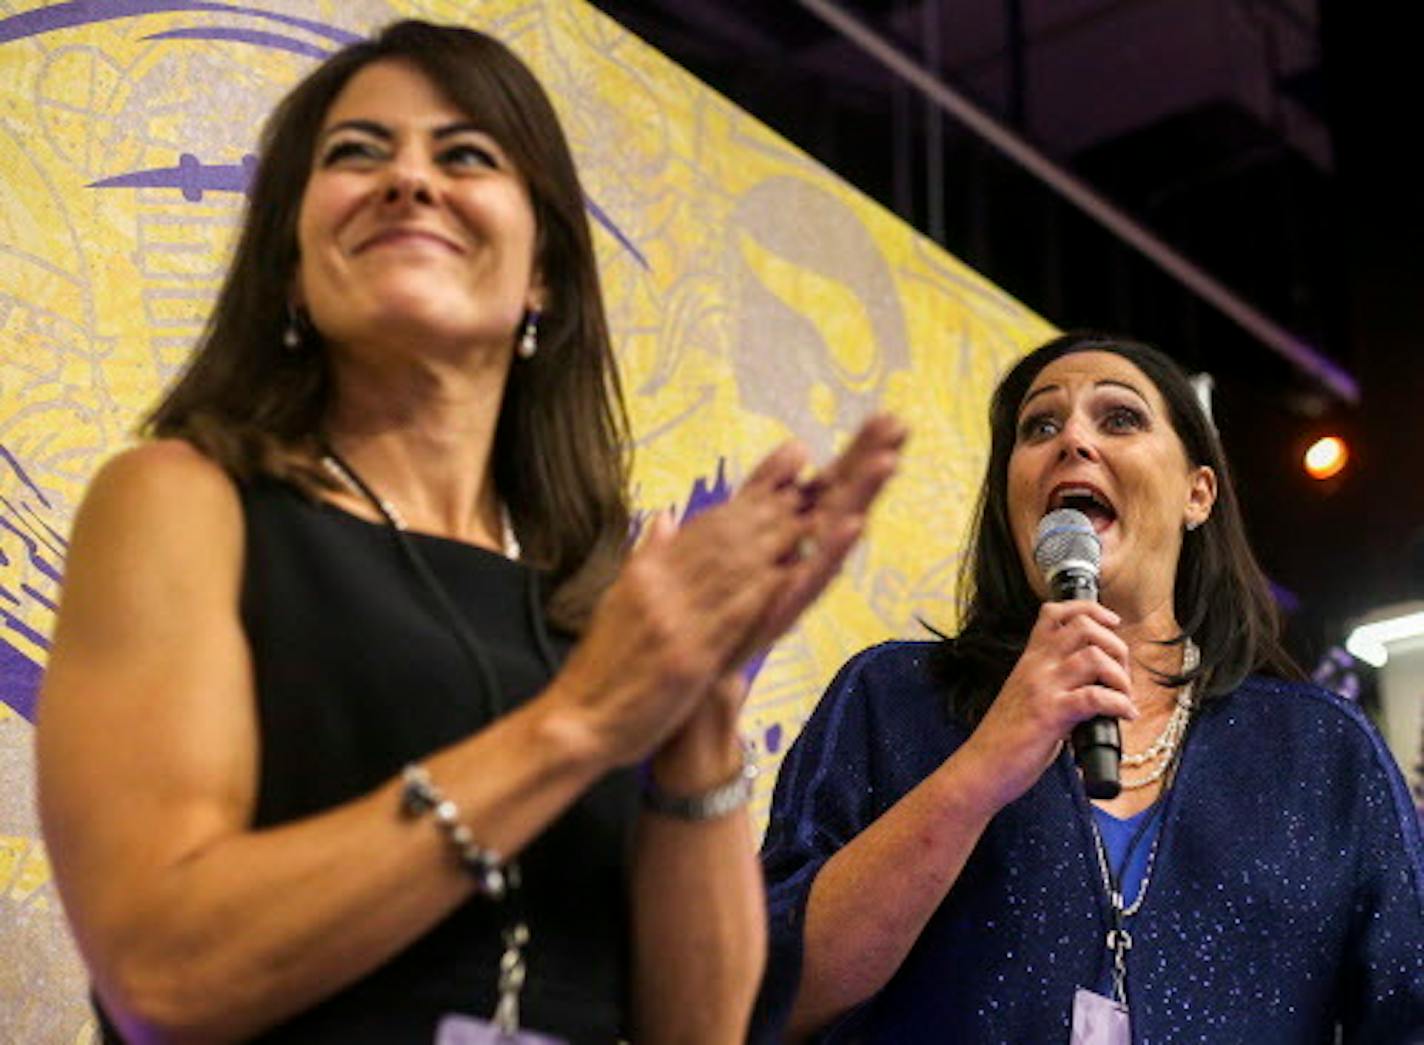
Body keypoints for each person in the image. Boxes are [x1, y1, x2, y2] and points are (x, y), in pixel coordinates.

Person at [35, 21, 906, 1044]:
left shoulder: (597, 602)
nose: (408, 181)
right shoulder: (181, 500)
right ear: (290, 261)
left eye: (466, 156)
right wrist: (576, 722)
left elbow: (694, 1030)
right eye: (357, 153)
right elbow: (165, 974)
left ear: (541, 272)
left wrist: (699, 706)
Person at [755, 333, 1424, 1042]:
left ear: (1198, 492)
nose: (1072, 438)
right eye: (1040, 425)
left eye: (1120, 418)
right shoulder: (891, 697)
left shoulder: (1320, 751)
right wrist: (985, 764)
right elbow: (770, 991)